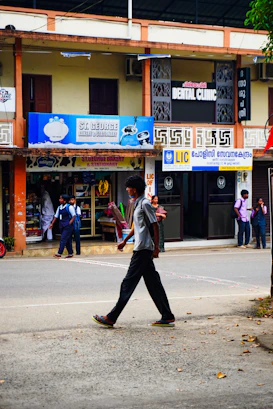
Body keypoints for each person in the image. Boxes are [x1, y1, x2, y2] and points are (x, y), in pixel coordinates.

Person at [92, 175, 175, 328]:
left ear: (134, 189)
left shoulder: (145, 204)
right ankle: (167, 316)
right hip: (141, 248)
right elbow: (137, 226)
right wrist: (125, 240)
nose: (127, 189)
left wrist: (156, 248)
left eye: (128, 187)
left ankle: (111, 317)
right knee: (153, 284)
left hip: (143, 250)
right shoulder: (138, 204)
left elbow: (154, 225)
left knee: (128, 283)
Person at [49, 194, 76, 258]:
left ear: (65, 200)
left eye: (61, 199)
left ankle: (59, 253)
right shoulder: (59, 207)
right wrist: (52, 224)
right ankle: (70, 253)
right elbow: (56, 216)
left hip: (68, 226)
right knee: (68, 239)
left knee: (63, 238)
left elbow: (74, 216)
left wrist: (70, 223)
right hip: (61, 225)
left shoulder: (69, 207)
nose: (59, 200)